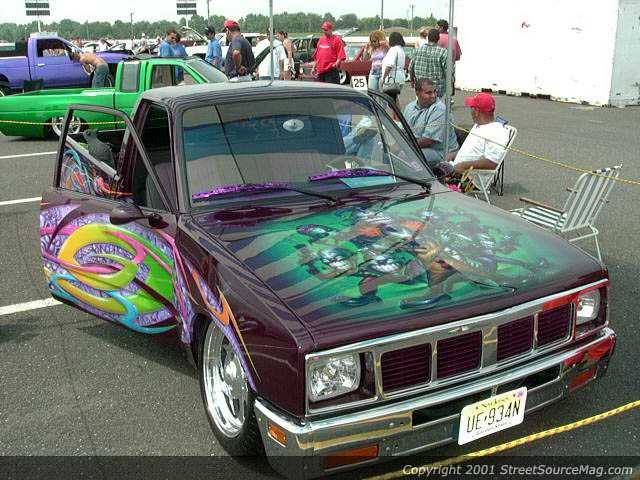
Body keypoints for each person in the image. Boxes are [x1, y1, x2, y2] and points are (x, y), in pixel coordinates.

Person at [403, 78, 458, 168]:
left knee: (408, 159)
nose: (433, 96)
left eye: (435, 91)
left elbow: (428, 140)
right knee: (389, 152)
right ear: (417, 93)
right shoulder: (409, 107)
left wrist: (404, 148)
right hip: (418, 145)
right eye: (429, 93)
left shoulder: (440, 109)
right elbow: (403, 131)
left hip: (440, 151)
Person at [451, 93, 509, 173]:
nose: (470, 112)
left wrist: (464, 165)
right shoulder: (479, 125)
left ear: (476, 111)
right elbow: (472, 151)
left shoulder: (496, 132)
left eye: (471, 108)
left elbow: (493, 162)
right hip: (456, 169)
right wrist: (455, 155)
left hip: (469, 177)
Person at [409, 29, 447, 98]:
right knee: (435, 104)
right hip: (436, 89)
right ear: (438, 38)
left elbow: (411, 68)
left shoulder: (417, 50)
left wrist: (412, 81)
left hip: (421, 87)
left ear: (428, 37)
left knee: (421, 103)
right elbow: (447, 71)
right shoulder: (443, 52)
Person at [436, 19, 462, 97]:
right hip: (450, 71)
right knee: (448, 96)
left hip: (437, 71)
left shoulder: (436, 38)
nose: (435, 28)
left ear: (441, 28)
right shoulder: (454, 39)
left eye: (436, 27)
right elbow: (458, 56)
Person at [380, 32, 406, 105]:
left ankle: (396, 112)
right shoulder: (401, 50)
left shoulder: (393, 50)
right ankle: (397, 112)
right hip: (400, 77)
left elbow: (389, 65)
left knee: (391, 102)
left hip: (392, 78)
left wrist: (383, 78)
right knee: (394, 100)